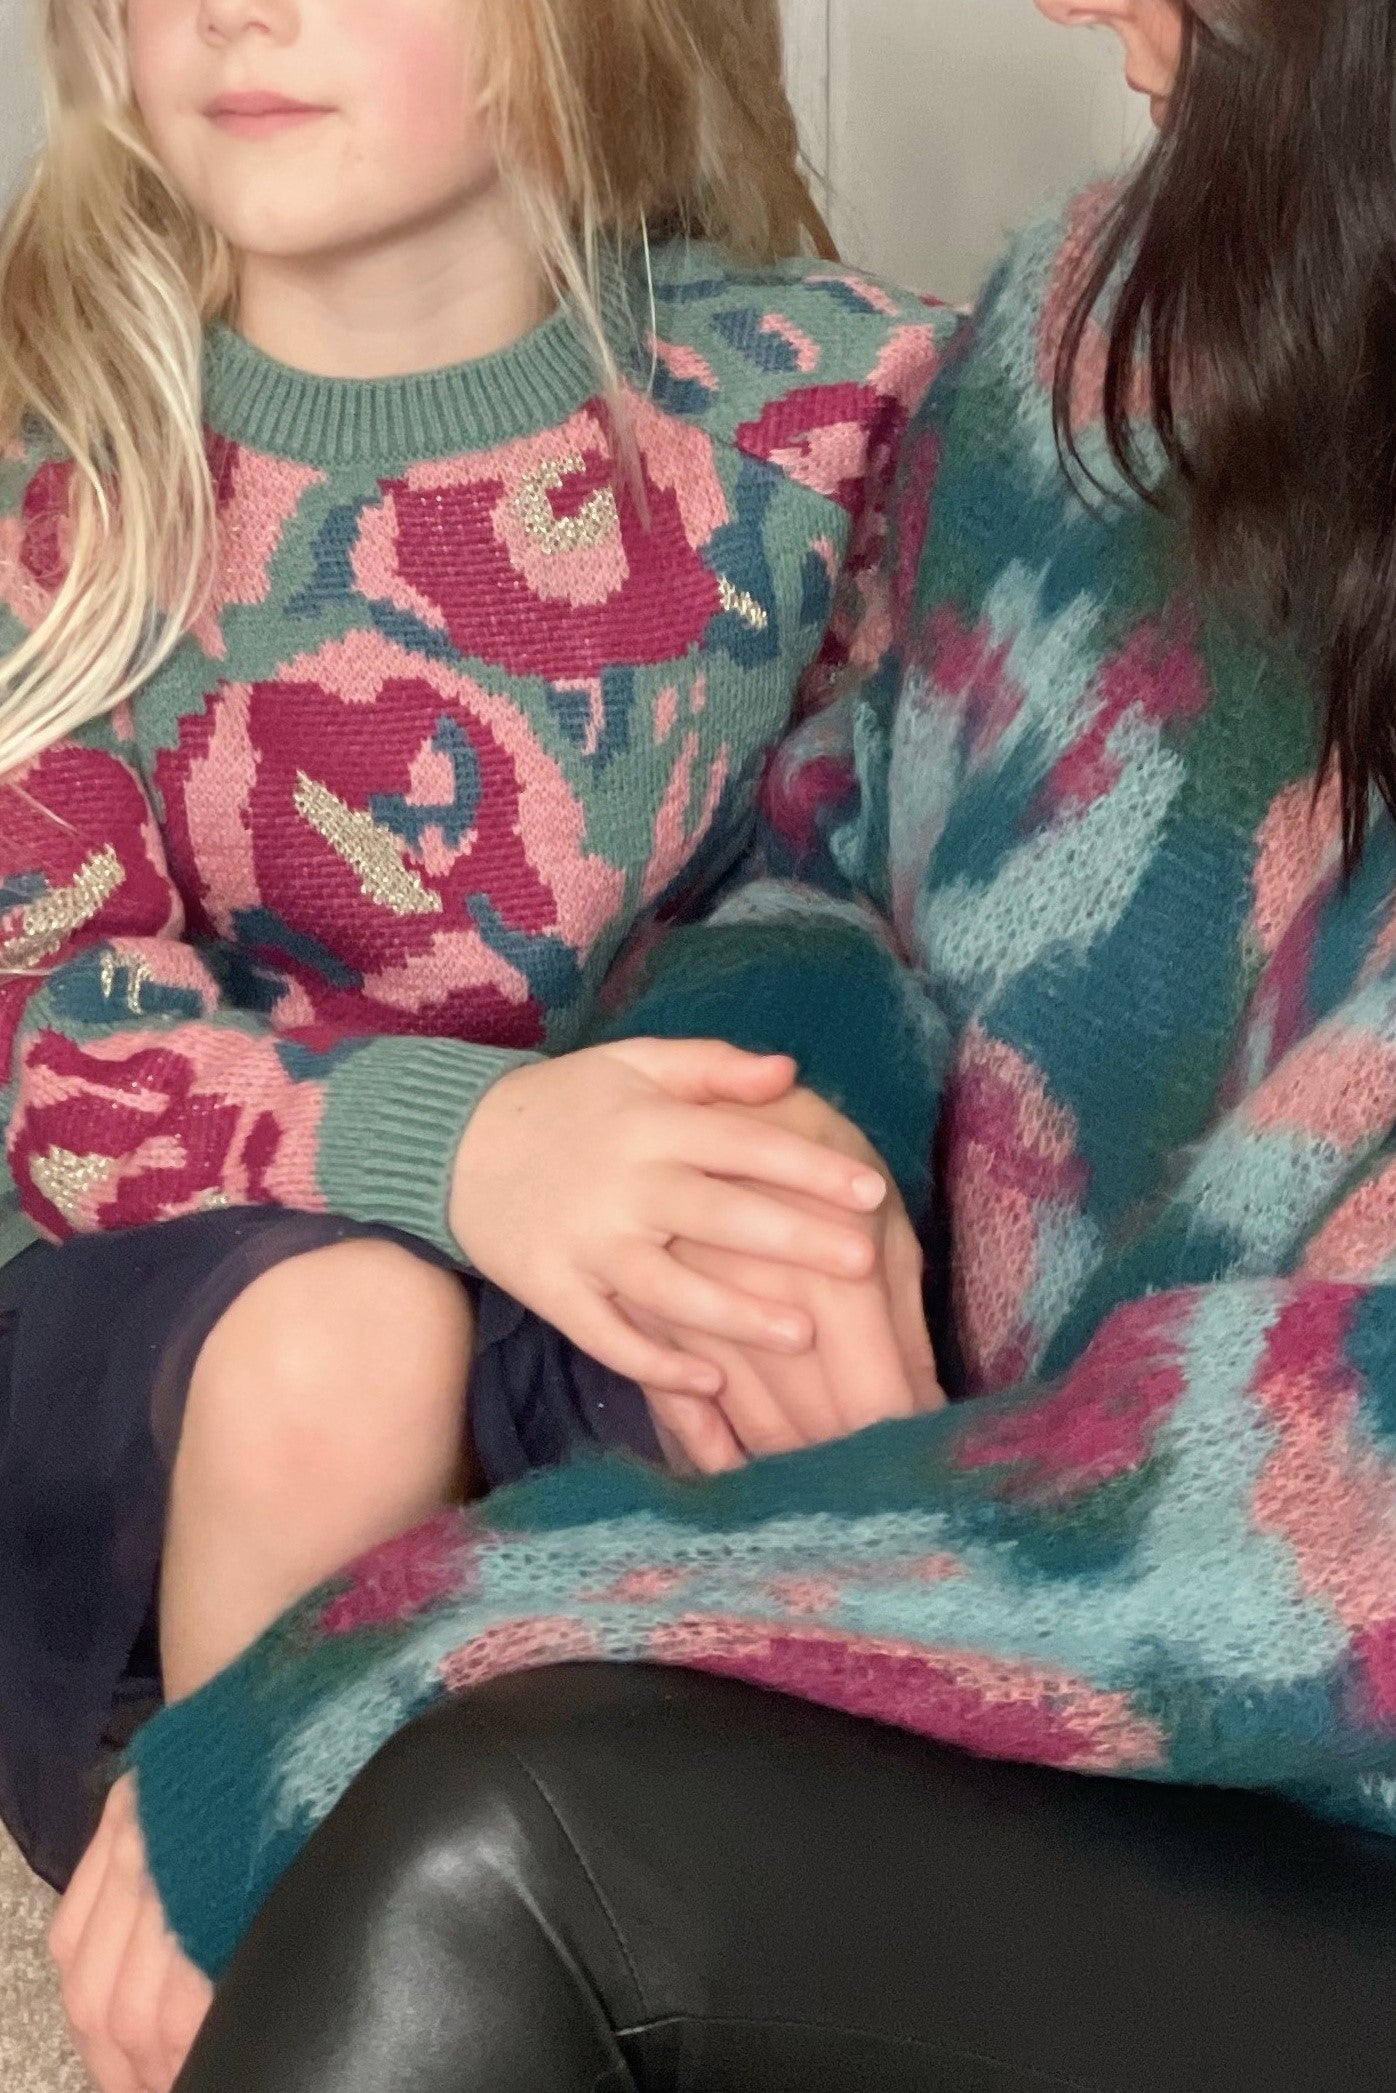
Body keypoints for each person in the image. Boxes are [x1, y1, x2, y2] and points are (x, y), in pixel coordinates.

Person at [53, 0, 1396, 2086]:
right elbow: (829, 846)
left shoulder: (811, 390)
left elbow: (1327, 1535)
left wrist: (428, 1631)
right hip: (968, 1578)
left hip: (1293, 1761)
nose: (1057, 4)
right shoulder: (1091, 328)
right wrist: (786, 1175)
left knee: (473, 1836)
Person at [0, 0, 952, 1931]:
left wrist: (741, 1160)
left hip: (586, 1308)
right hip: (171, 1378)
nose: (229, 9)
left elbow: (874, 860)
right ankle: (257, 1936)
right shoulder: (73, 489)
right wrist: (471, 1146)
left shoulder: (828, 405)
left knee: (779, 1204)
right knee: (347, 1342)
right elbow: (49, 1040)